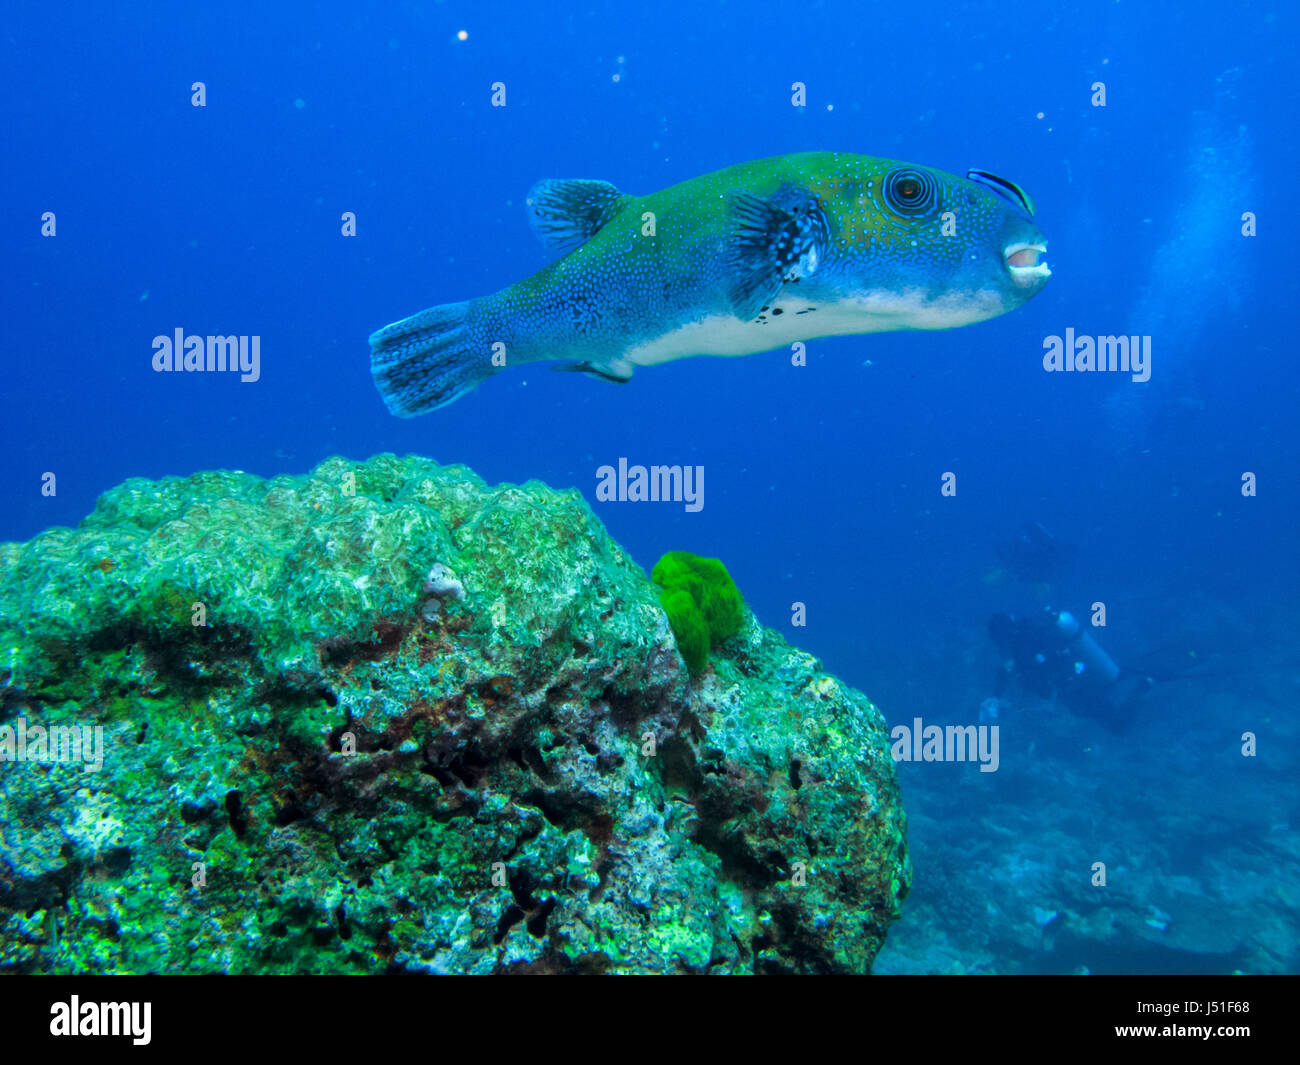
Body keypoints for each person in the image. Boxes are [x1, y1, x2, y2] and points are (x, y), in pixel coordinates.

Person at [986, 607, 1150, 732]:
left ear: (1004, 634)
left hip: (1079, 683)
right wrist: (995, 696)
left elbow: (1041, 668)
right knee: (1105, 710)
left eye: (999, 639)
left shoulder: (1027, 641)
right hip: (1074, 685)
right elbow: (1006, 671)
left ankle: (1145, 686)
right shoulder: (1021, 640)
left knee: (1117, 725)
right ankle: (1137, 680)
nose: (999, 645)